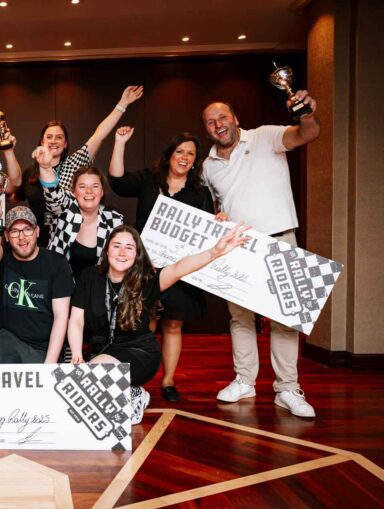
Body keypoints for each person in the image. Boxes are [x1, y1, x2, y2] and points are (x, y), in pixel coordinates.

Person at [201, 94, 320, 417]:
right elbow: (217, 205)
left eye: (223, 117)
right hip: (237, 246)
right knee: (240, 319)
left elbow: (307, 133)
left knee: (285, 318)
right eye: (210, 122)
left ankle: (287, 389)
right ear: (207, 130)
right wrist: (218, 217)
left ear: (235, 119)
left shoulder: (266, 136)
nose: (218, 125)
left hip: (280, 239)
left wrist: (306, 115)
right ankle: (245, 381)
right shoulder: (208, 166)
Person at [68, 224, 251, 424]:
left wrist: (214, 252)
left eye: (129, 247)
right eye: (116, 246)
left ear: (137, 254)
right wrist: (76, 354)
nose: (122, 253)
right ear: (107, 250)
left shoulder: (146, 279)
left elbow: (179, 268)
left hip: (138, 352)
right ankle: (129, 389)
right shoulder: (90, 276)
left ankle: (134, 393)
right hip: (101, 349)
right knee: (79, 392)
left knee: (94, 379)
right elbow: (76, 320)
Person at [108, 128, 220, 403]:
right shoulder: (149, 181)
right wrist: (119, 143)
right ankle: (140, 379)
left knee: (173, 325)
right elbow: (118, 181)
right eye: (180, 151)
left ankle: (168, 381)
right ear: (169, 155)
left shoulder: (200, 192)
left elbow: (208, 230)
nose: (184, 157)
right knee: (145, 324)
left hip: (180, 271)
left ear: (195, 161)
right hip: (146, 269)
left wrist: (220, 219)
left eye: (191, 154)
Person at [12, 85, 143, 246]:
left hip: (70, 238)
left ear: (65, 144)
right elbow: (13, 195)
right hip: (36, 241)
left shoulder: (75, 163)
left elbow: (99, 135)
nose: (54, 141)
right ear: (42, 141)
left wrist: (122, 104)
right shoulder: (30, 172)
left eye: (59, 137)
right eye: (49, 137)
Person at [0, 205, 73, 364]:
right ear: (6, 236)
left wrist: (49, 365)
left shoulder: (57, 263)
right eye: (14, 231)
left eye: (27, 229)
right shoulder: (1, 258)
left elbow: (61, 317)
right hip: (4, 345)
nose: (22, 237)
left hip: (42, 350)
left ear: (37, 231)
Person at [35, 151, 123, 277]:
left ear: (102, 192)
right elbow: (54, 195)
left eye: (95, 186)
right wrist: (45, 167)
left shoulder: (114, 220)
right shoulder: (66, 209)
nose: (89, 191)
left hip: (96, 286)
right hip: (59, 283)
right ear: (74, 192)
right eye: (82, 186)